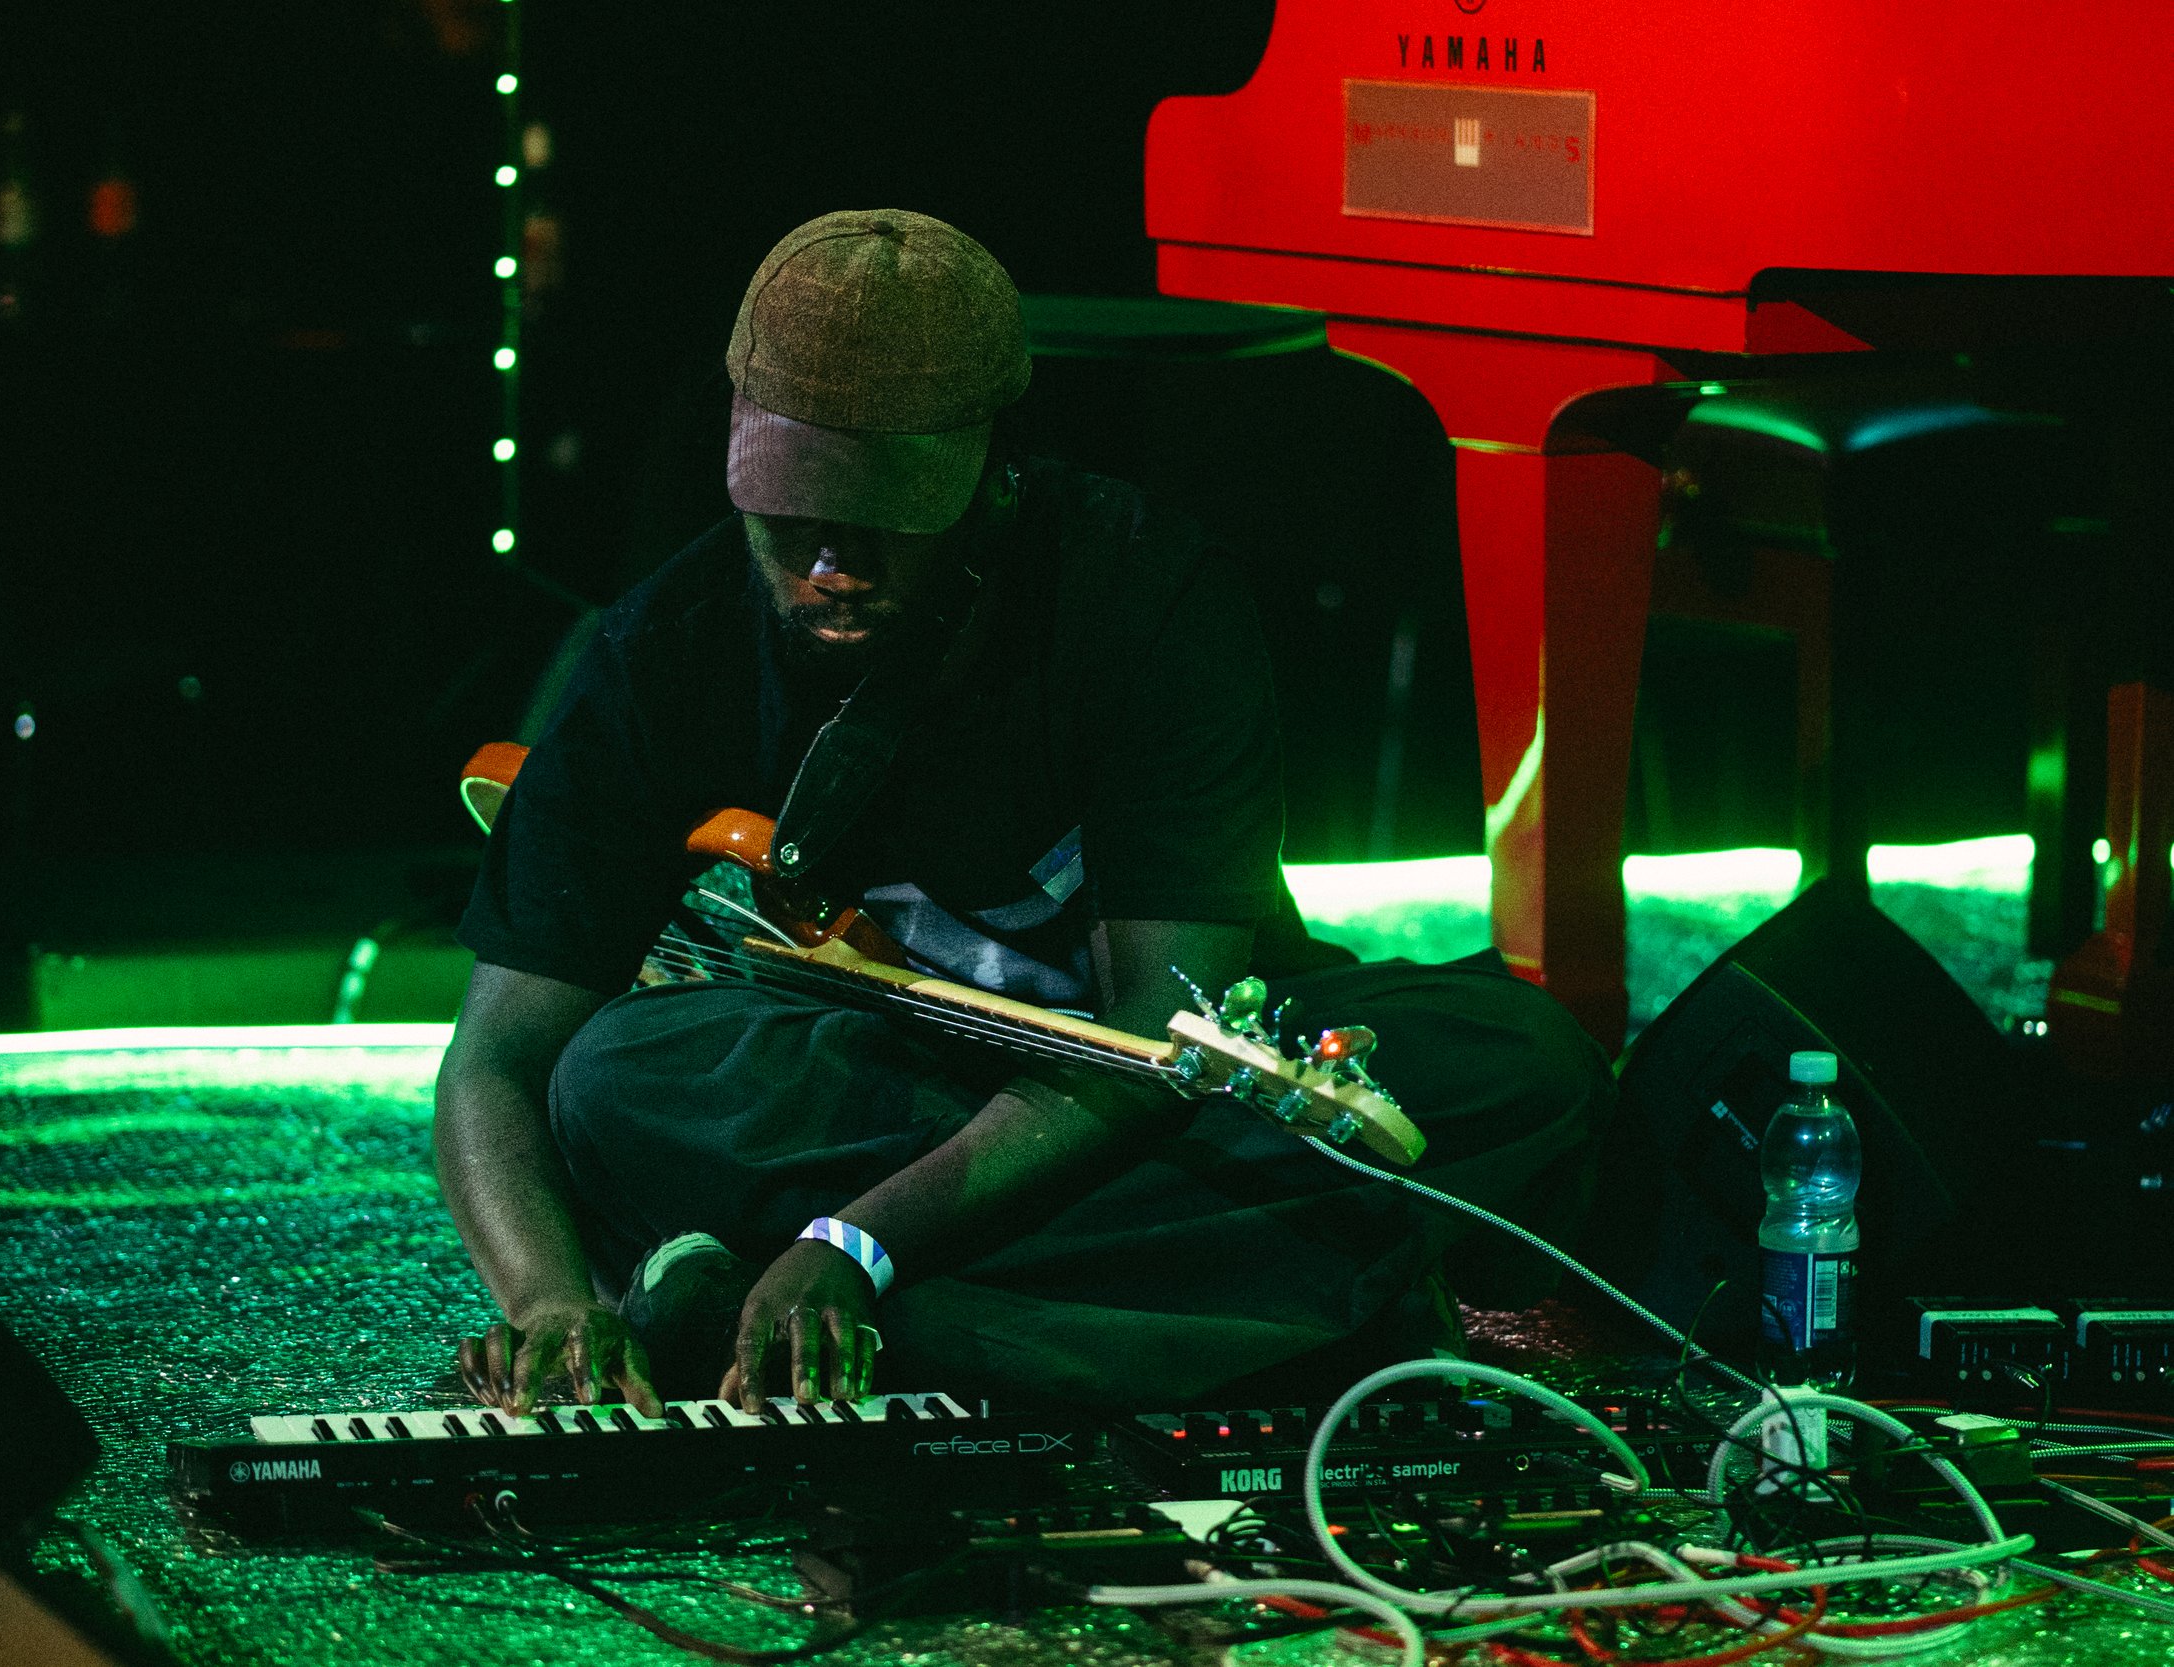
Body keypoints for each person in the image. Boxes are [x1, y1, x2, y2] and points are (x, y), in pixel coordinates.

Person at [435, 209, 1612, 1417]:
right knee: (616, 1078)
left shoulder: (1151, 603)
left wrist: (857, 1243)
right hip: (886, 1085)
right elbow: (494, 1059)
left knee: (1521, 1066)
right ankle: (1232, 1322)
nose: (831, 566)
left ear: (992, 476)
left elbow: (1165, 1023)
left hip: (1140, 1091)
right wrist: (546, 1300)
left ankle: (836, 1310)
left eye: (881, 520)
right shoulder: (661, 649)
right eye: (791, 520)